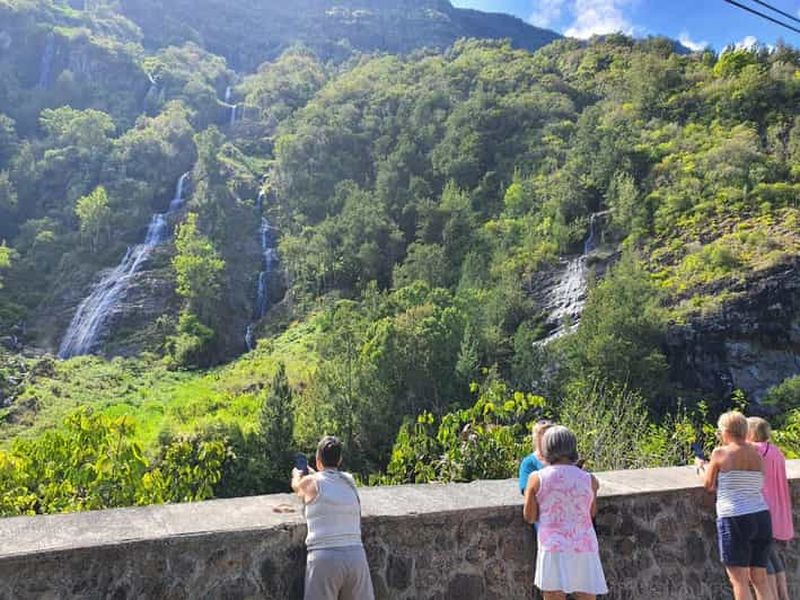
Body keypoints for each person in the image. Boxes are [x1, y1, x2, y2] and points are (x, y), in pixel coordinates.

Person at [523, 425, 608, 599]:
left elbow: (530, 517)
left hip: (552, 546)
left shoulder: (536, 478)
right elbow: (591, 512)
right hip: (584, 544)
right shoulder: (589, 479)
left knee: (553, 595)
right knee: (586, 595)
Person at [697, 411, 775, 600]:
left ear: (726, 431)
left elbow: (708, 485)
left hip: (735, 516)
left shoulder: (720, 453)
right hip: (761, 515)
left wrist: (700, 468)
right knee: (760, 578)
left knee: (738, 580)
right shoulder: (757, 454)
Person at [292, 436, 375, 600]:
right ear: (340, 460)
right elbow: (330, 479)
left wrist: (297, 474)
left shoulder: (310, 483)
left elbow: (297, 487)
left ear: (317, 460)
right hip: (356, 556)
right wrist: (316, 473)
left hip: (324, 558)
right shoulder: (349, 480)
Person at [747, 417, 794, 600]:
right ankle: (784, 595)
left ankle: (772, 596)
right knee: (771, 554)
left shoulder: (754, 450)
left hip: (761, 508)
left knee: (762, 559)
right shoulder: (775, 451)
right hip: (777, 507)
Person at [519, 420, 553, 495]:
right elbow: (527, 491)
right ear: (536, 438)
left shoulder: (562, 459)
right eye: (542, 434)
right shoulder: (529, 463)